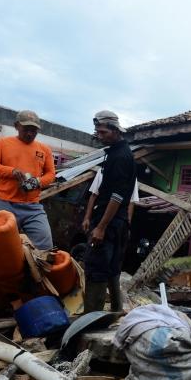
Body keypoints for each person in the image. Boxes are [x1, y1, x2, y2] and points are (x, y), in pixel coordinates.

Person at [83, 110, 137, 313]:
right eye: (98, 132)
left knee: (96, 268)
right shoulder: (116, 153)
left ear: (115, 130)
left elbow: (117, 196)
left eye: (103, 132)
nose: (100, 135)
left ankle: (90, 322)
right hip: (118, 223)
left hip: (111, 222)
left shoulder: (121, 157)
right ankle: (115, 313)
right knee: (112, 268)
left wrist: (101, 227)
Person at [0, 110, 56, 250]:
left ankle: (33, 270)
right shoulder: (3, 143)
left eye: (34, 130)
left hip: (32, 206)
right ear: (16, 126)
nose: (30, 133)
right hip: (4, 203)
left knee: (45, 245)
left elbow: (51, 173)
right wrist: (11, 171)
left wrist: (38, 182)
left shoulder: (44, 150)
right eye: (26, 129)